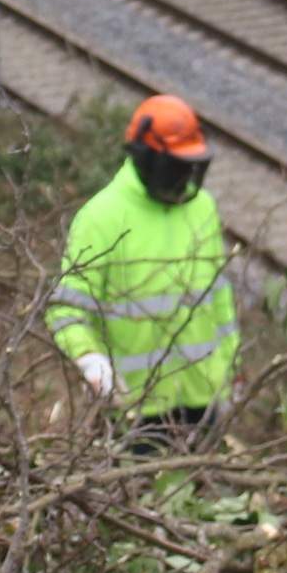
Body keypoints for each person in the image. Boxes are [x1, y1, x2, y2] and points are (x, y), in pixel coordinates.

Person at [45, 93, 236, 447]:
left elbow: (219, 300)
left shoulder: (203, 208)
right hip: (135, 408)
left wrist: (229, 370)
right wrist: (90, 360)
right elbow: (66, 308)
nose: (183, 178)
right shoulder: (102, 216)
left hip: (202, 398)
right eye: (175, 168)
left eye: (188, 167)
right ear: (147, 159)